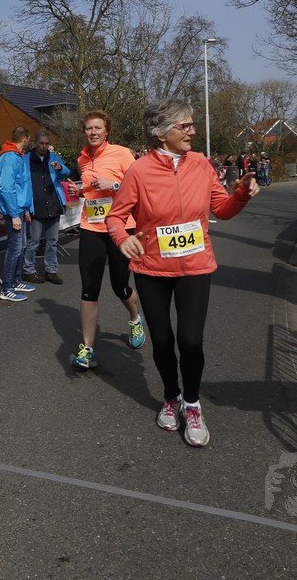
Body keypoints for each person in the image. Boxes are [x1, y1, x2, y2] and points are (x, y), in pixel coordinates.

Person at [107, 99, 258, 447]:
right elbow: (115, 216)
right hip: (151, 268)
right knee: (162, 341)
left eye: (191, 124)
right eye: (185, 125)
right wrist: (122, 239)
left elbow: (222, 209)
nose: (193, 131)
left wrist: (241, 194)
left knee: (190, 341)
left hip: (195, 266)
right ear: (161, 133)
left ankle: (192, 404)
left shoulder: (202, 164)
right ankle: (171, 396)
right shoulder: (139, 171)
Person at [73, 110, 146, 370]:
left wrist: (113, 185)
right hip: (91, 226)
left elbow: (140, 187)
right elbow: (90, 190)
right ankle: (88, 349)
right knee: (89, 289)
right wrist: (79, 190)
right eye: (89, 128)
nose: (93, 132)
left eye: (98, 128)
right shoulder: (82, 159)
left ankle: (135, 318)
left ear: (107, 131)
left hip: (121, 228)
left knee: (120, 286)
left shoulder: (122, 153)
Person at [22, 129, 70, 285]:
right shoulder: (26, 159)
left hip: (53, 203)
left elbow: (67, 172)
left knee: (52, 241)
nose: (44, 146)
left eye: (46, 143)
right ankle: (29, 270)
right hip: (36, 205)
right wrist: (25, 207)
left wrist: (60, 168)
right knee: (33, 241)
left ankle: (51, 271)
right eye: (41, 143)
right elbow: (21, 182)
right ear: (35, 143)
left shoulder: (54, 157)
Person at [0, 126, 35, 302]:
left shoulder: (16, 156)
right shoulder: (11, 157)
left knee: (20, 246)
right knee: (15, 248)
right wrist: (14, 214)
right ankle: (7, 288)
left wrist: (25, 209)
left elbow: (20, 186)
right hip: (14, 210)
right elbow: (6, 188)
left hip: (19, 208)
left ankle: (16, 281)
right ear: (26, 138)